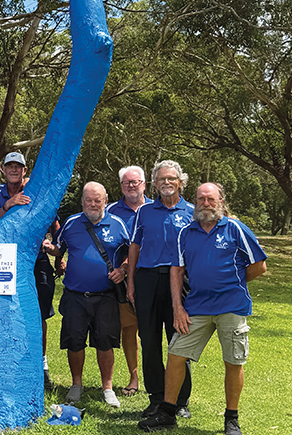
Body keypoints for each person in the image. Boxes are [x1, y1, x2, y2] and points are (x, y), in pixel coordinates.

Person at [139, 183, 267, 435]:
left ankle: (231, 419)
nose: (205, 204)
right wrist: (178, 307)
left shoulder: (235, 229)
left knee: (233, 361)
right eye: (201, 199)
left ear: (220, 201)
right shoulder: (186, 233)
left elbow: (259, 266)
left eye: (210, 199)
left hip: (232, 307)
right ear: (194, 202)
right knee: (176, 354)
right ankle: (167, 412)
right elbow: (177, 270)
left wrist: (233, 284)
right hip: (196, 307)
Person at [127, 159, 195, 420]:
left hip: (180, 281)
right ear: (154, 183)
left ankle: (180, 400)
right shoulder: (144, 212)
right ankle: (156, 397)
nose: (167, 182)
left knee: (179, 339)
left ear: (180, 182)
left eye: (172, 178)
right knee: (150, 341)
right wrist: (131, 283)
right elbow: (134, 247)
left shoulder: (192, 211)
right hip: (148, 280)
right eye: (162, 179)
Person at [0, 152, 60, 390]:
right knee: (4, 311)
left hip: (36, 260)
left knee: (39, 315)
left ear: (25, 170)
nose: (14, 170)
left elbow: (55, 224)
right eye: (10, 166)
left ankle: (42, 365)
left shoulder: (35, 192)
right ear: (3, 170)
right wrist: (8, 205)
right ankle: (7, 362)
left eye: (19, 166)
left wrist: (57, 250)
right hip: (2, 260)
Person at [55, 182, 130, 408]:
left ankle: (107, 387)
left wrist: (123, 269)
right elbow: (60, 249)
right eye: (89, 200)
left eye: (98, 200)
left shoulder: (118, 224)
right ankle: (76, 385)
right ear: (82, 201)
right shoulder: (70, 223)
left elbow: (132, 253)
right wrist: (55, 256)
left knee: (105, 343)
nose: (93, 204)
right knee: (74, 341)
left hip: (106, 295)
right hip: (75, 295)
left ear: (106, 201)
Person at [107, 165, 151, 397]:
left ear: (144, 184)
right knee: (129, 329)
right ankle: (134, 377)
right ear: (121, 186)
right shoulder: (111, 210)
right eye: (126, 183)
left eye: (135, 182)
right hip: (124, 281)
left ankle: (159, 378)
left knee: (154, 330)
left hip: (155, 278)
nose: (131, 186)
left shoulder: (156, 208)